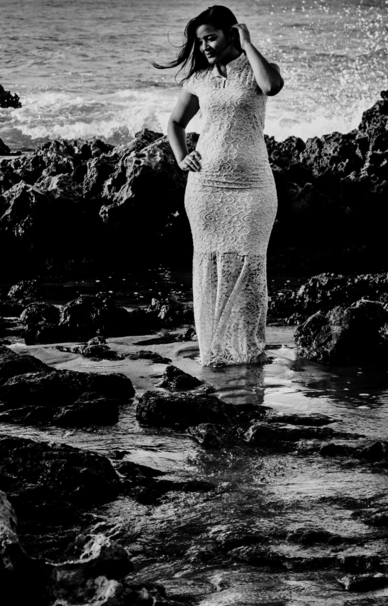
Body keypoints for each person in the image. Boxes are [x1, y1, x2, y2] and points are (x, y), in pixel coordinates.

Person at [155, 6, 284, 367]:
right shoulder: (199, 78)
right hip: (206, 187)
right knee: (209, 269)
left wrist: (248, 43)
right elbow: (175, 125)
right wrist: (182, 158)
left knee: (250, 266)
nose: (205, 46)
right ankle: (216, 353)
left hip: (254, 186)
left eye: (211, 37)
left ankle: (249, 352)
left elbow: (271, 87)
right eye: (200, 41)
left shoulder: (257, 68)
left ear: (231, 33)